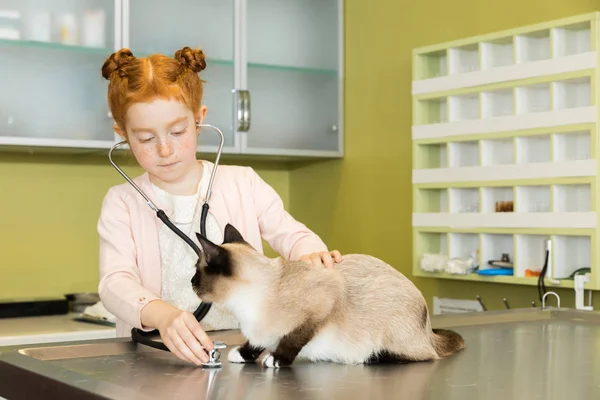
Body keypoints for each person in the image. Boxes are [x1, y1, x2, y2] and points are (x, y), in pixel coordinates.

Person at [97, 46, 342, 366]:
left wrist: (310, 252)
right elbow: (114, 282)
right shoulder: (122, 202)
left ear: (199, 120)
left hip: (244, 352)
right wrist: (163, 315)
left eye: (177, 131)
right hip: (157, 357)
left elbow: (290, 234)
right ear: (123, 135)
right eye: (145, 138)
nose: (165, 149)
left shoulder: (244, 183)